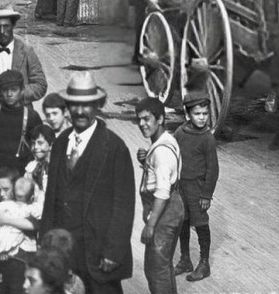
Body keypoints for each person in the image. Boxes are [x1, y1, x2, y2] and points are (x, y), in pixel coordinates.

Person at [39, 72, 136, 294]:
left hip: (99, 255)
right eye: (75, 105)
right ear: (68, 106)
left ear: (97, 106)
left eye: (87, 105)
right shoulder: (61, 142)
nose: (81, 111)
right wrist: (44, 242)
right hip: (64, 253)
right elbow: (51, 196)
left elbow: (124, 205)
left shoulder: (114, 147)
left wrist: (113, 251)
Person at [135, 98, 182, 294]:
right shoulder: (166, 140)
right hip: (171, 208)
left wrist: (151, 225)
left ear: (161, 118)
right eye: (139, 120)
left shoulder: (161, 152)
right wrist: (147, 160)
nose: (142, 124)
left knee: (156, 270)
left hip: (164, 211)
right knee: (163, 267)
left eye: (147, 119)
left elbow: (162, 191)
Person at [173, 91, 217, 282]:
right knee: (182, 221)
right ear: (187, 114)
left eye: (205, 114)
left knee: (200, 223)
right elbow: (173, 156)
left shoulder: (207, 138)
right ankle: (185, 260)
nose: (201, 118)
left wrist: (206, 195)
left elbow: (213, 169)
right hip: (181, 186)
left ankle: (204, 263)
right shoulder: (180, 133)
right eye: (197, 114)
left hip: (197, 189)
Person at [0, 8, 47, 105]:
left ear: (13, 26)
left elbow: (41, 85)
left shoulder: (26, 52)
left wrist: (19, 93)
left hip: (19, 106)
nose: (2, 31)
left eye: (6, 26)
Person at [0, 71, 40, 175]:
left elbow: (40, 144)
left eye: (14, 90)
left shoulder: (31, 116)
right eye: (5, 90)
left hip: (22, 172)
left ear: (22, 90)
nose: (9, 94)